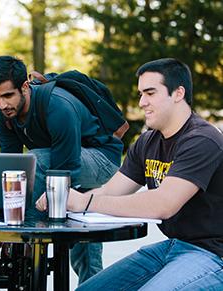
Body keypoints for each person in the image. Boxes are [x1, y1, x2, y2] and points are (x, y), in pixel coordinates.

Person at [36, 58, 223, 290]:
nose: (142, 102)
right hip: (173, 247)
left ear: (178, 93)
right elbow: (110, 190)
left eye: (150, 93)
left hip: (213, 254)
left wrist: (84, 201)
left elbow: (163, 204)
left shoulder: (201, 139)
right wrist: (65, 198)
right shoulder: (147, 141)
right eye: (140, 94)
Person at [0, 55, 124, 283]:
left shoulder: (57, 106)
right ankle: (90, 285)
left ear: (25, 86)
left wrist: (30, 219)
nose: (2, 104)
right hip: (60, 158)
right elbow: (11, 165)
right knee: (84, 244)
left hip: (101, 159)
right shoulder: (3, 115)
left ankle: (26, 247)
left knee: (37, 161)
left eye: (8, 95)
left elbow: (66, 168)